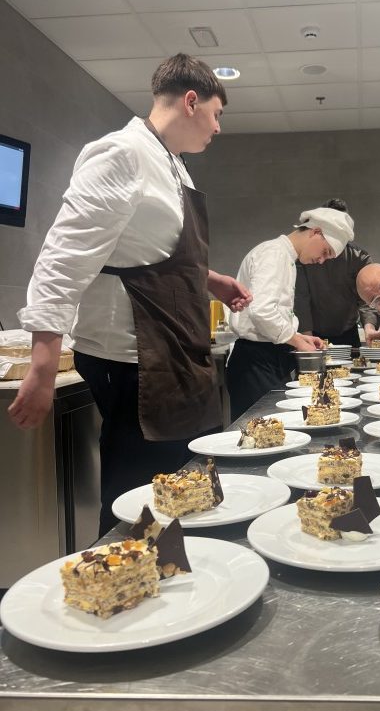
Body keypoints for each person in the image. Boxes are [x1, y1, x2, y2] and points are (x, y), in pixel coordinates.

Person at [9, 53, 252, 536]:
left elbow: (149, 249)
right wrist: (42, 363)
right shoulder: (122, 153)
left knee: (182, 488)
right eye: (216, 114)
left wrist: (211, 279)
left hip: (172, 353)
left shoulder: (174, 165)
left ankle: (175, 568)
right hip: (134, 361)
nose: (218, 127)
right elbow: (63, 257)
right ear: (190, 101)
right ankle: (121, 573)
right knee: (138, 499)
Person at [226, 206, 354, 421]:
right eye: (325, 252)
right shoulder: (274, 253)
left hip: (268, 357)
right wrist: (295, 339)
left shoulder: (286, 257)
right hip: (256, 362)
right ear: (316, 232)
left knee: (276, 430)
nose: (322, 261)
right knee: (260, 433)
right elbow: (262, 311)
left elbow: (274, 313)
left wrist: (299, 337)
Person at [294, 199, 380, 346]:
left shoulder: (358, 257)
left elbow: (367, 298)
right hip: (311, 332)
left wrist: (369, 329)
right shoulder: (304, 258)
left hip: (348, 332)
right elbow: (301, 299)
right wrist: (307, 338)